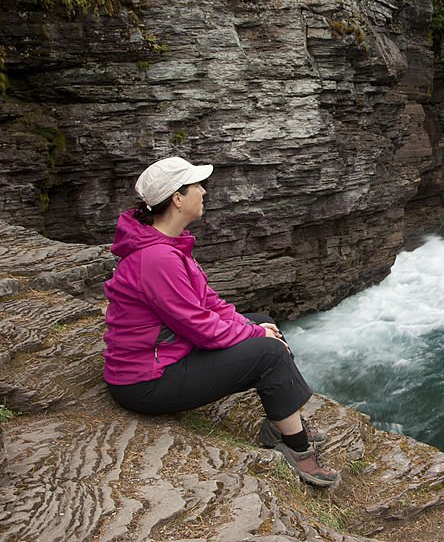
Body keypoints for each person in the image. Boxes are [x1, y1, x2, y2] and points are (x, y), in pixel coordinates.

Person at [103, 156, 338, 487]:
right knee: (269, 353)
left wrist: (253, 326)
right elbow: (199, 327)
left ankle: (281, 420)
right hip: (144, 382)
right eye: (197, 186)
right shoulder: (157, 258)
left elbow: (208, 302)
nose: (203, 191)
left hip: (165, 357)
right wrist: (255, 335)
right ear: (177, 198)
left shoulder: (165, 245)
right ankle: (296, 448)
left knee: (263, 321)